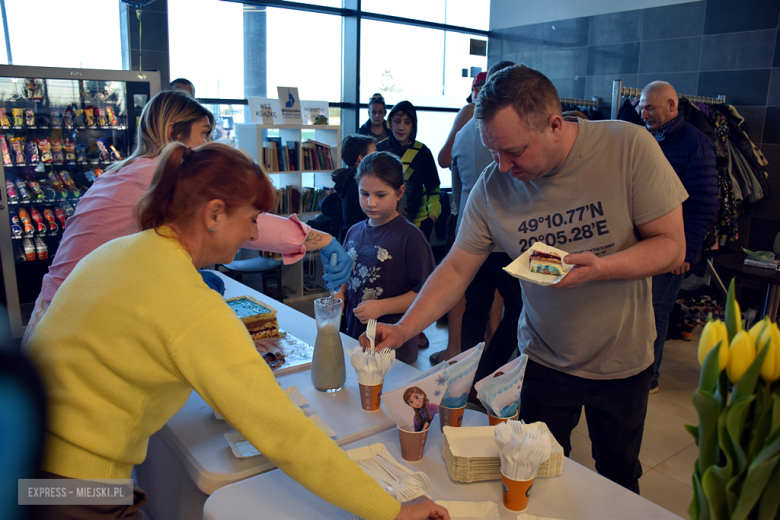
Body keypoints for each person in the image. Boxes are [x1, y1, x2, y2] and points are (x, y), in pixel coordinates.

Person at [24, 142, 449, 520]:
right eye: (251, 218)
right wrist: (391, 510)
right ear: (213, 214)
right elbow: (284, 434)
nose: (253, 233)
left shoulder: (123, 250)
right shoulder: (190, 304)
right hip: (73, 484)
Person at [362, 65, 688, 494]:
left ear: (555, 124)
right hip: (543, 359)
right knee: (535, 473)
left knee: (619, 473)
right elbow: (458, 267)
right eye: (493, 151)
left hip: (622, 359)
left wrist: (602, 268)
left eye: (513, 151)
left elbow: (671, 246)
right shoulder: (493, 185)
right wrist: (405, 327)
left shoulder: (628, 146)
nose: (503, 165)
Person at [21, 90, 351, 348]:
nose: (207, 144)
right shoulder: (155, 177)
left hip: (63, 310)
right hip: (71, 324)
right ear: (173, 131)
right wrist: (319, 239)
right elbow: (242, 220)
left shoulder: (124, 171)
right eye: (204, 134)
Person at [638, 81, 718, 393]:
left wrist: (685, 251)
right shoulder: (647, 137)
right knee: (641, 312)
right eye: (642, 106)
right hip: (643, 243)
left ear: (672, 106)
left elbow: (705, 201)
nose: (644, 113)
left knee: (656, 311)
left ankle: (649, 378)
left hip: (671, 246)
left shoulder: (695, 142)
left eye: (650, 107)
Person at [334, 151, 436, 365]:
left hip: (392, 347)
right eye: (364, 194)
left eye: (380, 195)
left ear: (399, 192)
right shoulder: (353, 231)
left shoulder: (411, 238)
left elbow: (426, 295)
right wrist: (340, 292)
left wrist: (381, 307)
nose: (370, 203)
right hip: (356, 337)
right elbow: (345, 272)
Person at [376, 100, 441, 241]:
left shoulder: (423, 152)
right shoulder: (378, 150)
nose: (401, 127)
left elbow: (434, 190)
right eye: (397, 121)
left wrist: (431, 218)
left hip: (418, 225)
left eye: (407, 122)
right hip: (384, 223)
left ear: (413, 125)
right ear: (390, 122)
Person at [332, 134, 376, 241]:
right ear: (361, 158)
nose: (377, 156)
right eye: (374, 153)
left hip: (349, 236)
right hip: (360, 238)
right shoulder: (358, 183)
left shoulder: (346, 179)